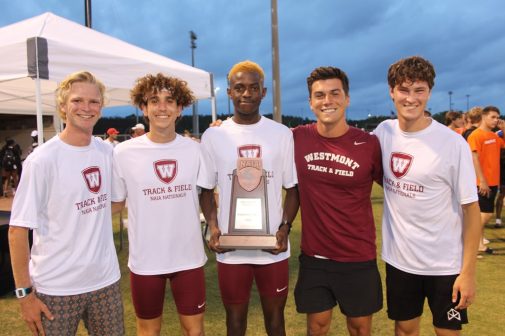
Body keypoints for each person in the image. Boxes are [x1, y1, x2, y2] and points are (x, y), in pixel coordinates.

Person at [8, 71, 124, 336]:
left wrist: (83, 216)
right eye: (77, 100)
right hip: (55, 287)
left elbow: (115, 202)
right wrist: (25, 296)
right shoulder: (42, 160)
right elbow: (17, 231)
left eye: (94, 101)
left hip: (105, 282)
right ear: (62, 106)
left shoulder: (106, 151)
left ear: (101, 107)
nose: (86, 107)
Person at [373, 56, 481, 336]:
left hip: (446, 265)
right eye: (404, 90)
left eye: (419, 90)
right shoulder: (383, 133)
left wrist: (468, 272)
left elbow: (471, 211)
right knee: (405, 330)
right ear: (391, 92)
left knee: (446, 332)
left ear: (429, 92)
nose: (411, 98)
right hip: (400, 261)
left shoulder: (453, 144)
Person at [198, 60, 299, 336]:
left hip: (272, 245)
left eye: (253, 88)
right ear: (229, 92)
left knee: (276, 321)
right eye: (239, 88)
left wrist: (284, 228)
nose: (246, 94)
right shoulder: (214, 135)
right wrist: (213, 226)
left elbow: (293, 189)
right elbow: (206, 190)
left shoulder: (281, 134)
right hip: (232, 247)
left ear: (263, 92)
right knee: (235, 321)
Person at [111, 73, 207, 335]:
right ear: (144, 107)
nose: (162, 107)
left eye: (169, 100)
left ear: (180, 108)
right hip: (146, 260)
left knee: (195, 331)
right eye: (154, 100)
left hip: (188, 258)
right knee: (148, 331)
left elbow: (211, 196)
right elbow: (116, 203)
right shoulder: (123, 153)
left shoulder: (195, 150)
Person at [292, 66, 383, 336]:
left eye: (334, 93)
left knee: (359, 328)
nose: (327, 101)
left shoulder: (368, 144)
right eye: (319, 95)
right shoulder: (296, 138)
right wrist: (223, 127)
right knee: (317, 327)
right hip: (315, 256)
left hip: (357, 255)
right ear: (311, 102)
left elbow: (394, 187)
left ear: (347, 99)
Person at [466, 105, 505, 255]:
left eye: (497, 117)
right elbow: (474, 158)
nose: (496, 120)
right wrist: (482, 180)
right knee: (485, 214)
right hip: (481, 182)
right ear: (483, 117)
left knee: (482, 213)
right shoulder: (476, 135)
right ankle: (466, 239)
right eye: (492, 117)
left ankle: (480, 245)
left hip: (493, 180)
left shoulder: (495, 136)